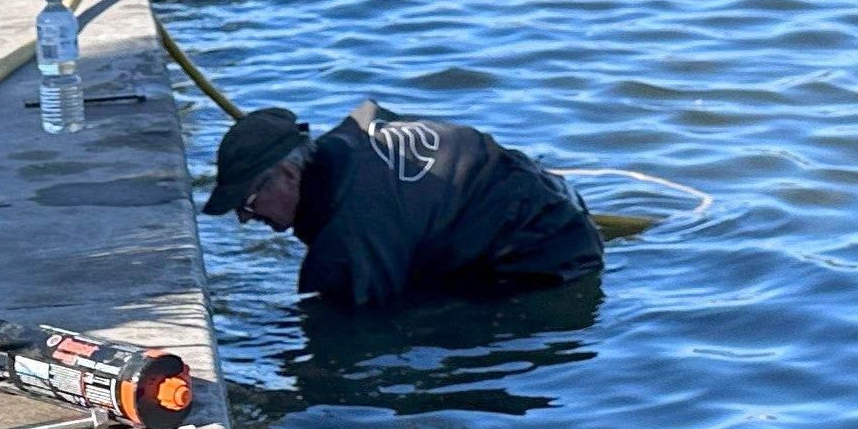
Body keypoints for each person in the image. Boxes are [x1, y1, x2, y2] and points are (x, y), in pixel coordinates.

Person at [199, 100, 601, 308]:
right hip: (554, 198)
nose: (245, 218)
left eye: (249, 202)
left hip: (548, 256)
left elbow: (344, 336)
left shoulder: (349, 238)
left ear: (288, 174)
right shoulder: (351, 140)